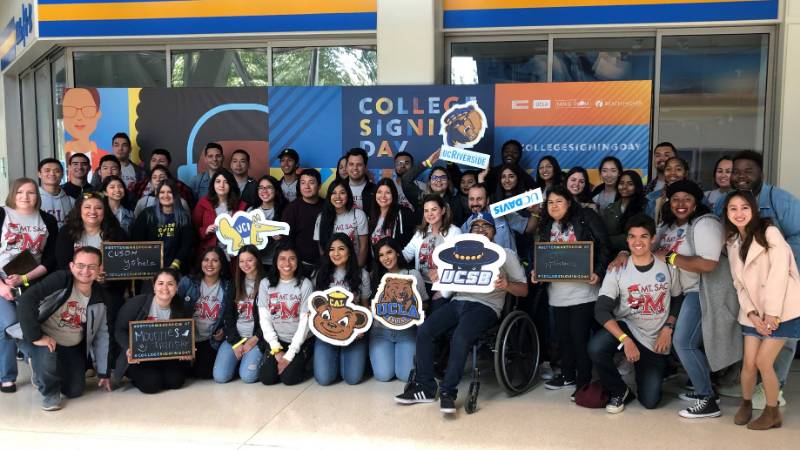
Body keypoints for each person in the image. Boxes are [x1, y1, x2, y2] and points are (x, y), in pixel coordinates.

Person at [395, 212, 528, 414]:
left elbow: (524, 290)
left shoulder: (505, 254)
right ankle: (425, 388)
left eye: (486, 226)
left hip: (486, 305)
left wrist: (507, 285)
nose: (481, 230)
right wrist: (436, 275)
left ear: (494, 231)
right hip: (458, 301)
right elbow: (445, 278)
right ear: (470, 230)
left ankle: (448, 391)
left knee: (460, 337)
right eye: (476, 226)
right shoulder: (457, 252)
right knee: (425, 330)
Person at [715, 150, 800, 409]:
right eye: (736, 172)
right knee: (753, 342)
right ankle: (753, 388)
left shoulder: (781, 200)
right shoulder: (724, 203)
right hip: (752, 288)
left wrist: (780, 263)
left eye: (748, 171)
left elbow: (797, 235)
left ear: (761, 173)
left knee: (782, 338)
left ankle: (777, 388)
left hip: (783, 282)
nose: (741, 176)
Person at [588, 214, 682, 414]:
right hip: (628, 328)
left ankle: (637, 368)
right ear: (627, 240)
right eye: (632, 237)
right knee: (596, 348)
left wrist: (669, 327)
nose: (637, 242)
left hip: (655, 337)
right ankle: (619, 390)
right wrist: (625, 340)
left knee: (650, 401)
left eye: (644, 236)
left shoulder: (667, 264)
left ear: (653, 238)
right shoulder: (618, 269)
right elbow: (601, 310)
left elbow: (677, 298)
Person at [724, 190, 800, 430]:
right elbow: (739, 284)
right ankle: (746, 404)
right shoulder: (733, 242)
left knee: (763, 362)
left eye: (744, 207)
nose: (739, 213)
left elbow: (779, 275)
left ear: (754, 209)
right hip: (754, 313)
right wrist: (752, 315)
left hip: (782, 310)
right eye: (733, 209)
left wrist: (771, 314)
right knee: (748, 364)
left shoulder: (770, 232)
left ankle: (772, 412)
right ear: (727, 213)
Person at [656, 180, 725, 419]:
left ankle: (708, 400)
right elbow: (651, 249)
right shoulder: (667, 226)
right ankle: (706, 391)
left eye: (687, 199)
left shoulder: (704, 224)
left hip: (699, 290)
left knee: (683, 342)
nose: (681, 204)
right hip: (677, 292)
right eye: (676, 199)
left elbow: (708, 263)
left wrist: (672, 258)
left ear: (696, 203)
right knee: (685, 343)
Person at [533, 185, 609, 395]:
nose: (554, 206)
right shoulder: (546, 225)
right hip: (557, 294)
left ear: (569, 202)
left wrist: (599, 271)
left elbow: (603, 245)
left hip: (584, 293)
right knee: (563, 338)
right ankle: (567, 375)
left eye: (559, 201)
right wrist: (536, 271)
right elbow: (543, 256)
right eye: (550, 202)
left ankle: (583, 381)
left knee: (579, 338)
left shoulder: (586, 216)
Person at [15, 246, 112, 410]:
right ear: (72, 266)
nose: (85, 271)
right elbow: (27, 300)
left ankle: (43, 369)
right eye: (80, 265)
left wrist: (104, 372)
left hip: (71, 345)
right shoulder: (61, 280)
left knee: (75, 390)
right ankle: (48, 390)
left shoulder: (101, 298)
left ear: (100, 269)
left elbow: (102, 335)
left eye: (92, 266)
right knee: (47, 357)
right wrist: (36, 337)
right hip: (45, 338)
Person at [0, 178, 58, 394]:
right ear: (13, 194)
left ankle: (35, 362)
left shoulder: (47, 220)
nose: (25, 197)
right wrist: (2, 286)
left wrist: (24, 279)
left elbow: (49, 261)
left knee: (30, 321)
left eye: (31, 192)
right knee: (9, 323)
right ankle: (7, 375)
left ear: (38, 195)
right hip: (1, 279)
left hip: (31, 281)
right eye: (20, 192)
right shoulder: (2, 214)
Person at [114, 269, 192, 394]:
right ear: (154, 287)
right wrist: (129, 348)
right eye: (160, 283)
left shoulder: (181, 307)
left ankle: (160, 373)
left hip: (166, 355)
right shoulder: (138, 303)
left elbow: (184, 335)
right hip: (141, 356)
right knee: (151, 385)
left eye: (170, 284)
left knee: (175, 382)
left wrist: (186, 349)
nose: (165, 288)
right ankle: (138, 375)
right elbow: (119, 330)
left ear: (177, 287)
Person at [313, 233, 371, 385]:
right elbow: (315, 309)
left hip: (352, 332)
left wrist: (361, 328)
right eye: (332, 249)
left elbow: (365, 306)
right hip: (326, 331)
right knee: (324, 379)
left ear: (349, 251)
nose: (336, 253)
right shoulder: (320, 273)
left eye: (341, 249)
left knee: (352, 379)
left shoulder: (362, 274)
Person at [370, 238, 428, 382]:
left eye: (389, 252)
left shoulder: (412, 275)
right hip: (380, 332)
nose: (386, 258)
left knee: (405, 376)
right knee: (383, 375)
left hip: (407, 332)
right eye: (381, 255)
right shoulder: (375, 277)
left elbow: (425, 303)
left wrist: (414, 310)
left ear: (397, 253)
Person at [258, 243, 315, 386]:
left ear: (298, 261)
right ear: (275, 262)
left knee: (289, 379)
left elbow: (305, 322)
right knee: (267, 379)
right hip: (277, 341)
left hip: (299, 341)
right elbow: (264, 319)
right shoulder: (266, 284)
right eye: (282, 259)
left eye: (292, 259)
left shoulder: (305, 284)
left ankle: (304, 361)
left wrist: (290, 355)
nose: (287, 263)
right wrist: (276, 349)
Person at [178, 247, 232, 380]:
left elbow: (232, 314)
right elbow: (174, 308)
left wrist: (224, 330)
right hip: (186, 339)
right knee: (179, 374)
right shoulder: (188, 282)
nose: (209, 264)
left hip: (209, 340)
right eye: (206, 260)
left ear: (221, 264)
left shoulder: (228, 286)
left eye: (215, 260)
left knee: (204, 374)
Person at [213, 245, 265, 384]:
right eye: (241, 261)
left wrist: (255, 339)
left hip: (257, 338)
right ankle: (238, 361)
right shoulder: (234, 283)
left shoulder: (267, 283)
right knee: (220, 377)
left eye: (249, 260)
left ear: (257, 260)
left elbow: (271, 318)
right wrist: (236, 343)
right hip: (236, 337)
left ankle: (249, 361)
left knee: (247, 377)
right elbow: (228, 316)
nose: (245, 264)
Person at [402, 194, 462, 307]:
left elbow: (457, 263)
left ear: (443, 210)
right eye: (426, 210)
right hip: (420, 285)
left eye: (434, 209)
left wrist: (444, 292)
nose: (430, 214)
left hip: (441, 285)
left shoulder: (455, 232)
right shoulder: (420, 233)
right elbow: (406, 255)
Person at [130, 179, 194, 274]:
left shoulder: (183, 216)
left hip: (176, 269)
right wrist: (148, 265)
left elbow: (186, 245)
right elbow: (136, 241)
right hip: (149, 269)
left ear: (176, 195)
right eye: (162, 192)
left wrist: (174, 265)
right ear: (157, 195)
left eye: (170, 192)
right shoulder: (147, 214)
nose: (166, 196)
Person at [55, 192, 126, 270]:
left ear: (105, 211)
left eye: (98, 208)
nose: (92, 211)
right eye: (87, 207)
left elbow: (121, 266)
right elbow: (63, 265)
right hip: (74, 280)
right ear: (79, 210)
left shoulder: (117, 233)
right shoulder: (66, 232)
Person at [461, 184, 537, 255]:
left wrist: (535, 213)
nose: (475, 203)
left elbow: (528, 228)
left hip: (507, 265)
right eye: (471, 199)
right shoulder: (467, 224)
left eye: (479, 199)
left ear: (487, 200)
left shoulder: (502, 212)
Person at [314, 179, 369, 268]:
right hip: (331, 269)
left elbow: (364, 247)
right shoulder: (321, 217)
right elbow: (322, 249)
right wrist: (329, 269)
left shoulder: (359, 215)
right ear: (329, 196)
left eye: (342, 193)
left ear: (348, 195)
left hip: (354, 267)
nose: (338, 197)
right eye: (334, 193)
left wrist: (357, 270)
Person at [192, 169, 247, 254]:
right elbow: (193, 229)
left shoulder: (241, 205)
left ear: (231, 184)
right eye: (218, 181)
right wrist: (205, 231)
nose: (221, 185)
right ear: (213, 184)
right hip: (209, 253)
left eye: (226, 182)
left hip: (233, 254)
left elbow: (246, 232)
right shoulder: (203, 203)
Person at [283, 169, 324, 273]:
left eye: (311, 182)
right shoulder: (291, 209)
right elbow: (287, 240)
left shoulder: (327, 206)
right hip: (300, 265)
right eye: (303, 183)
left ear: (319, 186)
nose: (307, 186)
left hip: (325, 263)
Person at [63, 87, 110, 171]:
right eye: (70, 110)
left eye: (87, 110)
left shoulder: (106, 157)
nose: (79, 117)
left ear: (98, 114)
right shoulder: (60, 155)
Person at [602, 171, 647, 255]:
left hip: (636, 256)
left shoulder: (645, 206)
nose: (624, 187)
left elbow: (642, 237)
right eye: (621, 183)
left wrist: (609, 240)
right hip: (611, 257)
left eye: (630, 184)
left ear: (636, 186)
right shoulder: (609, 208)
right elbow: (602, 236)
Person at [130, 148, 194, 206]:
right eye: (153, 160)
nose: (156, 164)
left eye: (161, 161)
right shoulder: (140, 185)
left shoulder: (181, 187)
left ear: (169, 164)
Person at [248, 175, 287, 271]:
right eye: (261, 188)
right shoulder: (251, 211)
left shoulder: (285, 210)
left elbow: (290, 236)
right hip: (255, 261)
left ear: (276, 190)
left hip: (277, 261)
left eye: (269, 187)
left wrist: (281, 236)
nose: (264, 191)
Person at [367, 178, 415, 252]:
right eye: (379, 192)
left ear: (393, 195)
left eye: (387, 193)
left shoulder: (403, 214)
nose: (383, 196)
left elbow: (408, 244)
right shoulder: (371, 215)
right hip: (375, 262)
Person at [646, 156, 689, 223]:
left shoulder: (697, 197)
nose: (672, 173)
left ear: (686, 173)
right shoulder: (652, 197)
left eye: (678, 169)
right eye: (668, 169)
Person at [38, 158, 75, 228]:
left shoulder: (71, 201)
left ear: (62, 174)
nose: (52, 174)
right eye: (47, 171)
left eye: (57, 171)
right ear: (39, 174)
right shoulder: (33, 199)